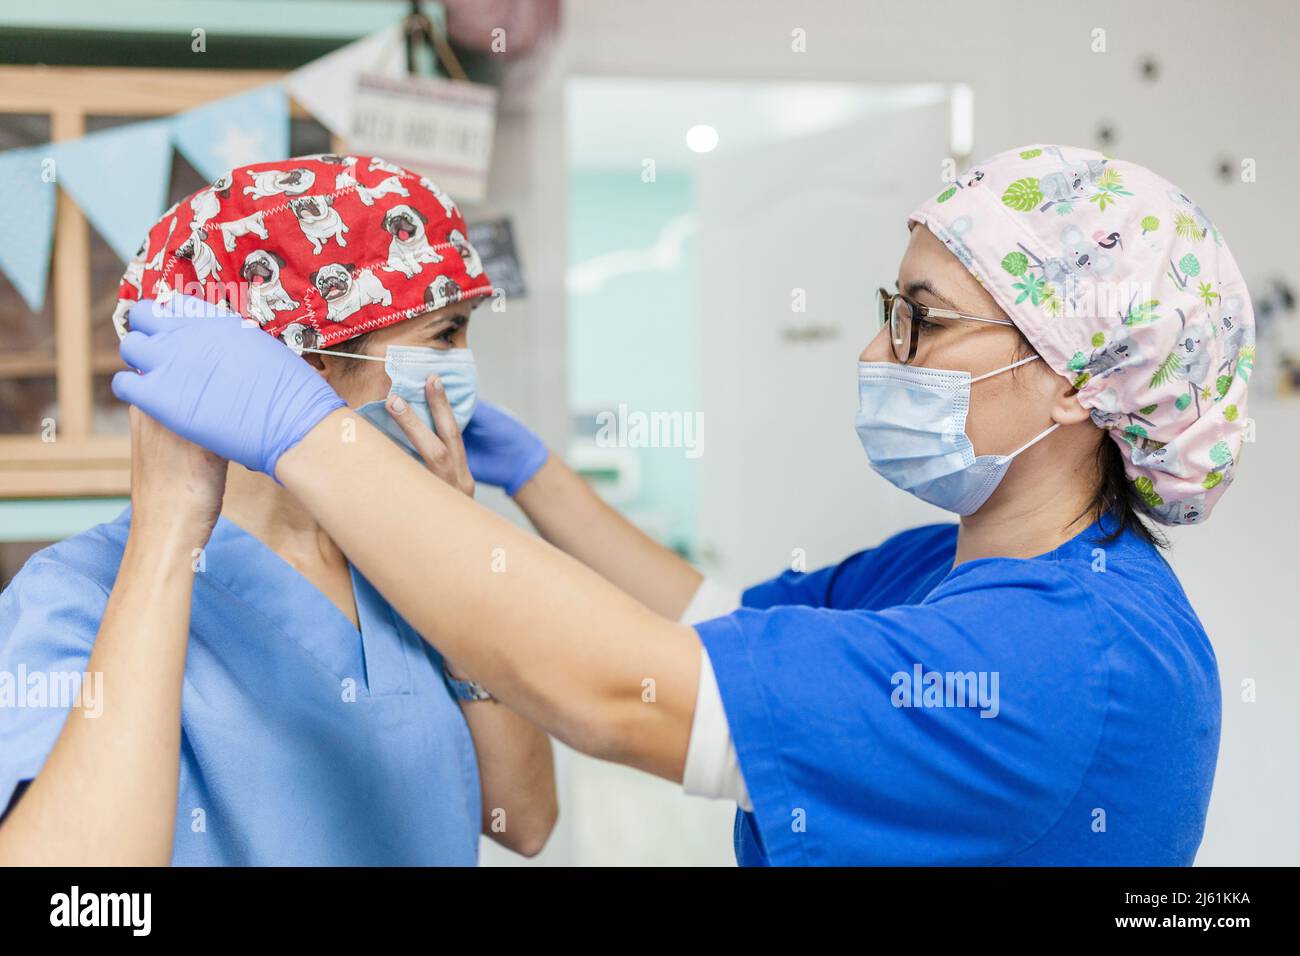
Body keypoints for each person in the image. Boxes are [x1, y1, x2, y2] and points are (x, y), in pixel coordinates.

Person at [102, 145, 1256, 865]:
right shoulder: (963, 569)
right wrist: (534, 475)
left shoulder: (1054, 655)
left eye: (921, 317)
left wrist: (306, 438)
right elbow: (707, 612)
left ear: (1073, 371)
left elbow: (630, 692)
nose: (874, 347)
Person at [0, 155, 556, 866]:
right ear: (306, 363)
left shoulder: (403, 562)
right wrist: (164, 538)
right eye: (444, 337)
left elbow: (527, 820)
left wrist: (458, 562)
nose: (463, 367)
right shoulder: (74, 596)